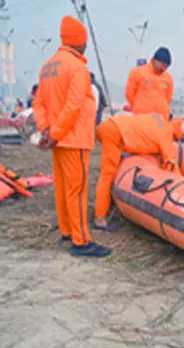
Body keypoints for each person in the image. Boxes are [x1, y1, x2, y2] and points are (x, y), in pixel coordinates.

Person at [32, 15, 111, 257]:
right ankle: (81, 241)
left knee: (64, 188)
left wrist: (46, 130)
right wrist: (55, 133)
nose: (86, 45)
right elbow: (74, 105)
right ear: (78, 42)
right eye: (84, 41)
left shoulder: (47, 67)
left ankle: (67, 231)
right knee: (76, 191)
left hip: (57, 140)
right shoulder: (77, 67)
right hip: (72, 139)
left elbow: (39, 103)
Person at [94, 113, 180, 231]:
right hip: (115, 132)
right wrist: (179, 184)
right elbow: (171, 163)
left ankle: (105, 208)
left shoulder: (158, 119)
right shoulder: (165, 135)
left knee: (109, 173)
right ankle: (100, 219)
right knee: (107, 174)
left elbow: (141, 134)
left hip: (111, 126)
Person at [125, 47, 174, 121]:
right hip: (142, 117)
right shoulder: (137, 73)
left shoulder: (168, 78)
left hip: (160, 119)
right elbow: (129, 94)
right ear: (155, 60)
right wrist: (139, 107)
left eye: (166, 67)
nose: (164, 69)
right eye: (163, 65)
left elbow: (168, 98)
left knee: (160, 132)